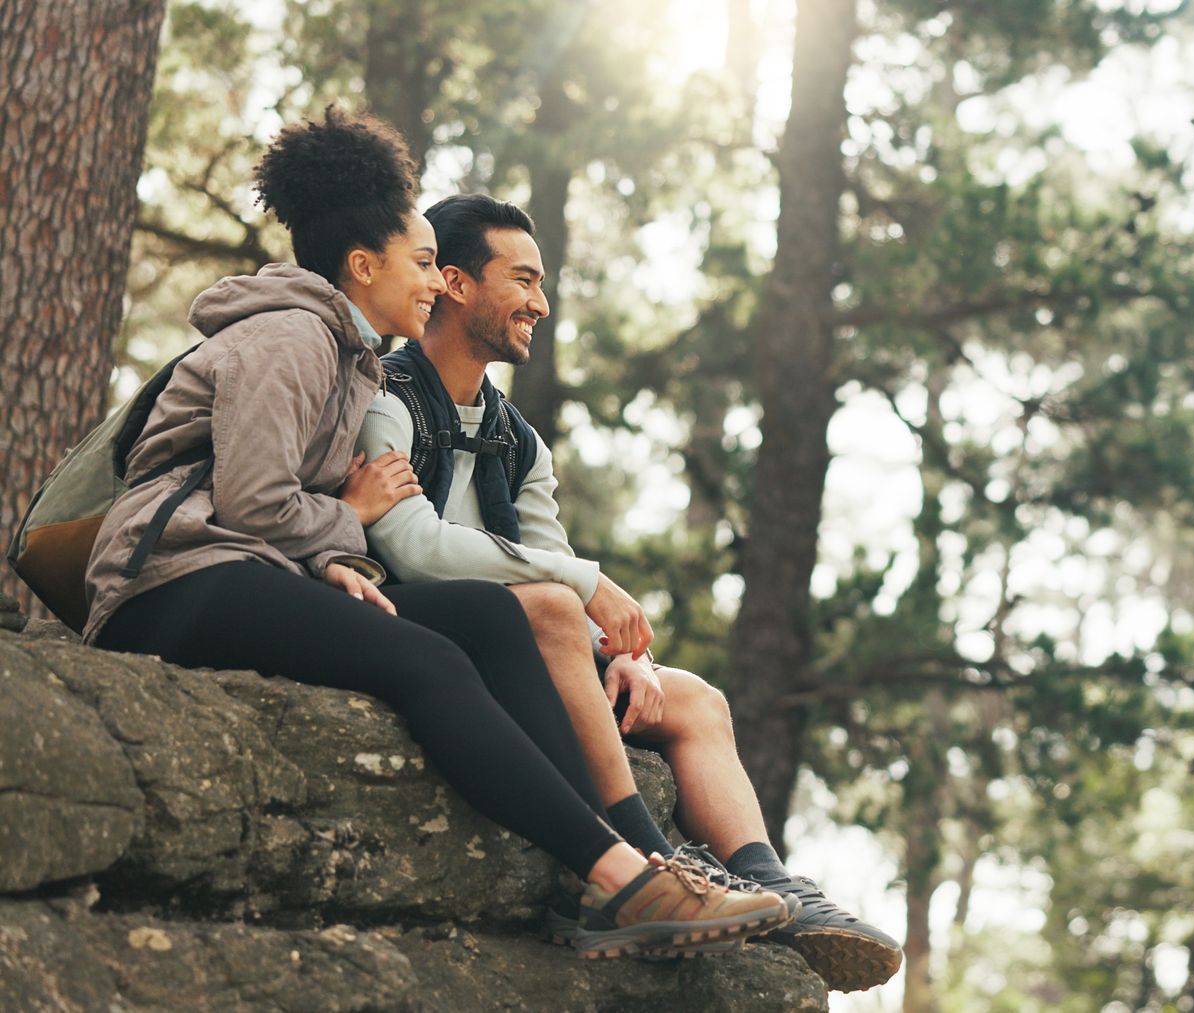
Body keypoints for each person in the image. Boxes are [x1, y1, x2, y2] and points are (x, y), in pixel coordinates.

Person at [83, 107, 789, 960]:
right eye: (421, 263)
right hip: (168, 580)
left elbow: (298, 510)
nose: (432, 279)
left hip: (240, 569)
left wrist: (338, 557)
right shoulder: (290, 336)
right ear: (362, 263)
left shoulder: (349, 359)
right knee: (430, 661)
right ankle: (620, 876)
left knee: (491, 623)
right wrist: (355, 521)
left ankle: (613, 873)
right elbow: (253, 500)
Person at [353, 192, 903, 993]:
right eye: (524, 280)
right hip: (428, 630)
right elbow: (411, 544)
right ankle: (644, 860)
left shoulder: (518, 439)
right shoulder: (386, 395)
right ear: (459, 284)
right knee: (546, 605)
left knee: (694, 699)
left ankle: (777, 885)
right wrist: (584, 589)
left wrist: (623, 653)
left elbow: (550, 559)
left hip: (528, 641)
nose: (541, 303)